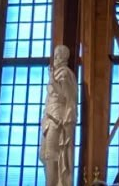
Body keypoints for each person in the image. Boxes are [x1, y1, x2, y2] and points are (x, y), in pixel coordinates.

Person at [40, 45, 77, 186]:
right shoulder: (56, 73)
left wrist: (52, 81)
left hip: (57, 119)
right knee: (44, 155)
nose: (55, 59)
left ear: (63, 57)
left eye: (57, 56)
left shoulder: (65, 74)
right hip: (49, 118)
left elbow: (65, 96)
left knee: (51, 155)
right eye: (54, 55)